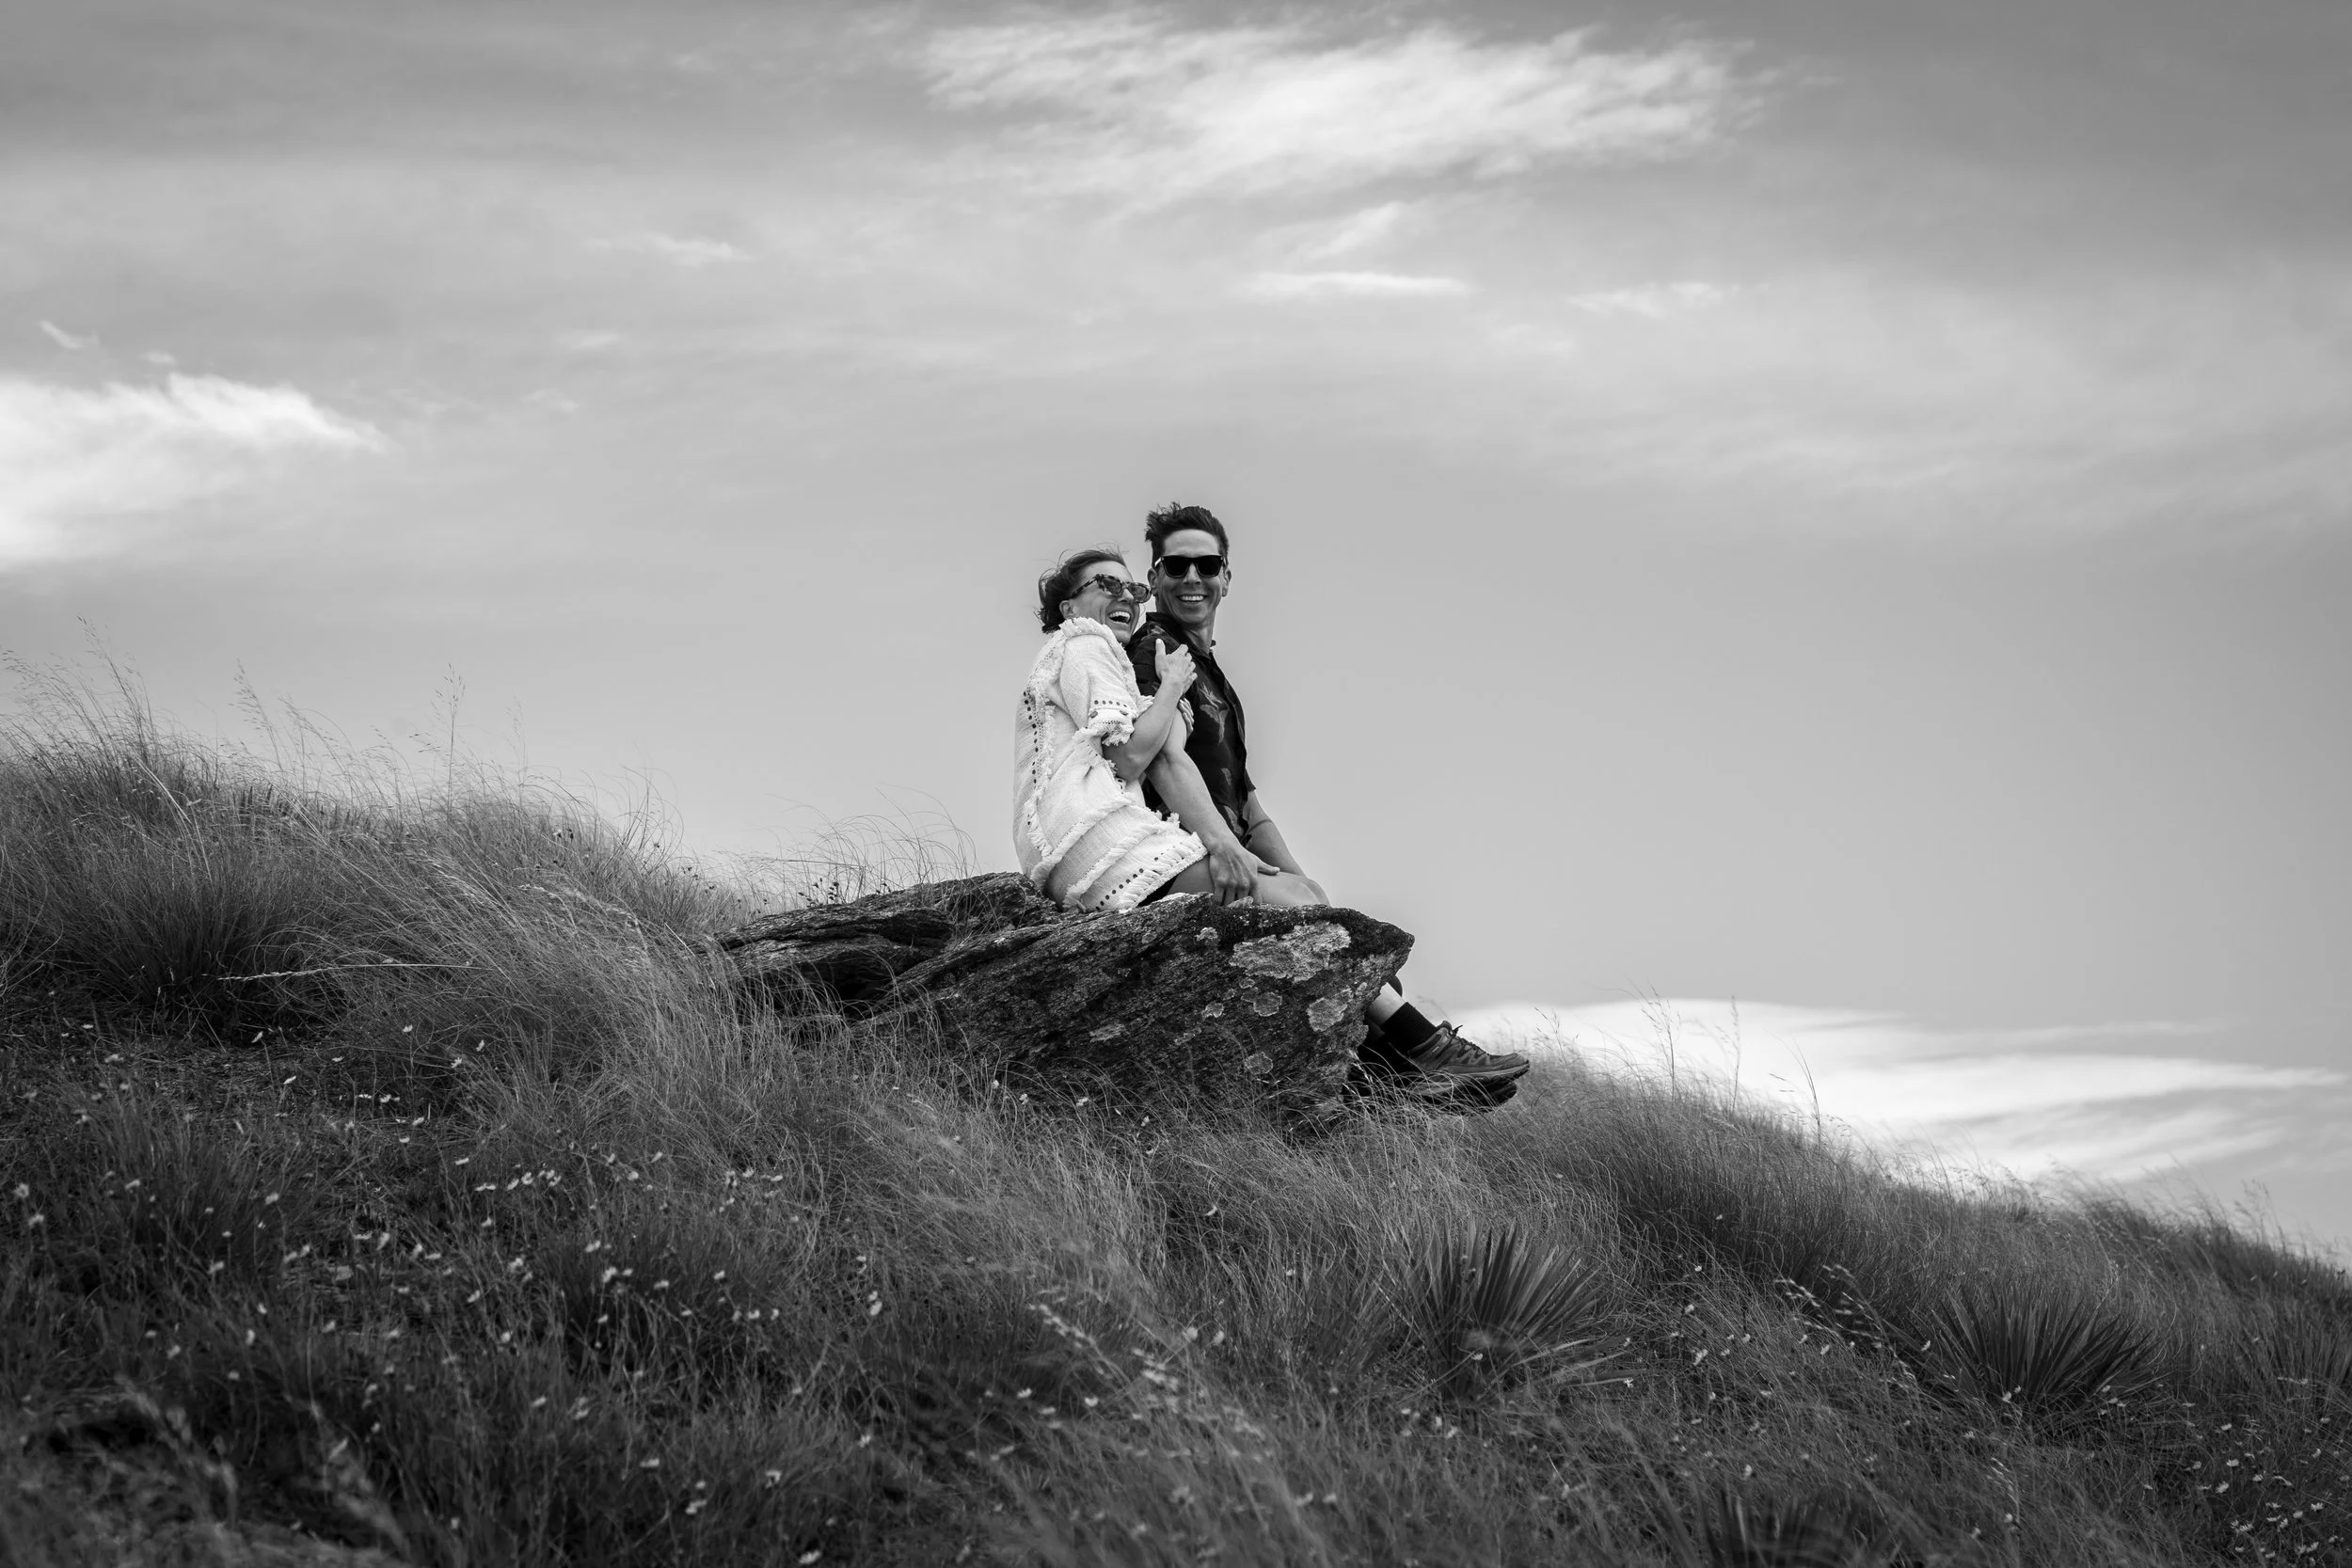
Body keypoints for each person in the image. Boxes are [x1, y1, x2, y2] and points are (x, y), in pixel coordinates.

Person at [1126, 503, 1531, 1103]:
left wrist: (1294, 875)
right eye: (1177, 565)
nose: (1193, 578)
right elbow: (1163, 759)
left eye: (1206, 564)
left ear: (1227, 577)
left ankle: (1390, 1079)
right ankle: (1426, 1053)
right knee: (1329, 933)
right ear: (1155, 576)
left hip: (1228, 849)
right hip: (1179, 856)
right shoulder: (1157, 653)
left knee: (1324, 914)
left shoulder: (1211, 671)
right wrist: (1227, 848)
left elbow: (1247, 794)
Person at [1013, 546, 1326, 912]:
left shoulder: (1079, 656)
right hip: (1095, 844)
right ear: (1069, 608)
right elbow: (1128, 757)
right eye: (1109, 584)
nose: (1127, 596)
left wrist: (1162, 704)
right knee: (1301, 900)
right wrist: (1173, 686)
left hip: (1073, 849)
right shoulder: (1084, 641)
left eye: (1134, 590)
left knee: (1309, 894)